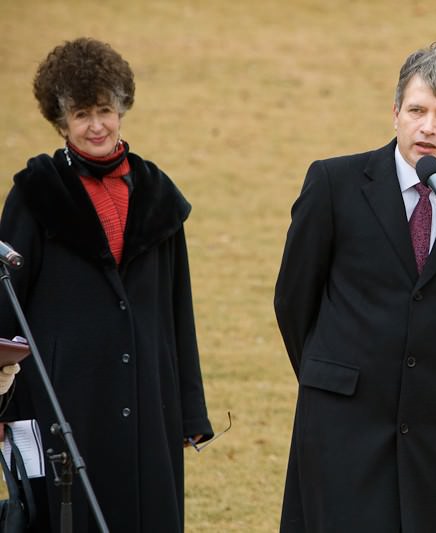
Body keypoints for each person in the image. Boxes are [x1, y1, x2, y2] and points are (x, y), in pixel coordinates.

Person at [274, 41, 436, 532]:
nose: (429, 127)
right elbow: (294, 299)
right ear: (395, 114)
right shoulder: (334, 183)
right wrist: (336, 375)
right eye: (417, 110)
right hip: (342, 424)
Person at [0, 37, 213, 532]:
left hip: (149, 399)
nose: (96, 125)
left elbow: (177, 312)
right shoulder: (35, 193)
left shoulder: (159, 195)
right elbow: (5, 305)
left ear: (121, 110)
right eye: (81, 115)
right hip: (61, 400)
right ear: (61, 122)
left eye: (104, 111)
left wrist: (189, 412)